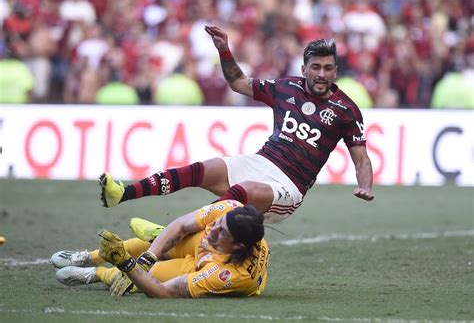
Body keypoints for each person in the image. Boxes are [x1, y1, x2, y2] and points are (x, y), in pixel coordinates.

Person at [100, 25, 374, 224]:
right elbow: (238, 83)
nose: (321, 74)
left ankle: (175, 232)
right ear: (304, 69)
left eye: (328, 68)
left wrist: (365, 186)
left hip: (288, 186)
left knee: (240, 193)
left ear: (335, 71)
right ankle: (122, 194)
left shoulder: (346, 109)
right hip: (260, 162)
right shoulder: (286, 87)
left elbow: (361, 159)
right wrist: (224, 51)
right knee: (199, 170)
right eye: (316, 67)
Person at [51, 200, 269, 298]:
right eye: (218, 224)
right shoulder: (230, 208)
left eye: (222, 233)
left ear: (237, 246)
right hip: (206, 250)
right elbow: (181, 225)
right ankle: (90, 257)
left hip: (204, 266)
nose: (214, 231)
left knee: (148, 276)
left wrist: (127, 264)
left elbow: (164, 292)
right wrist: (148, 257)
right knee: (153, 246)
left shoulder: (230, 274)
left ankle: (98, 274)